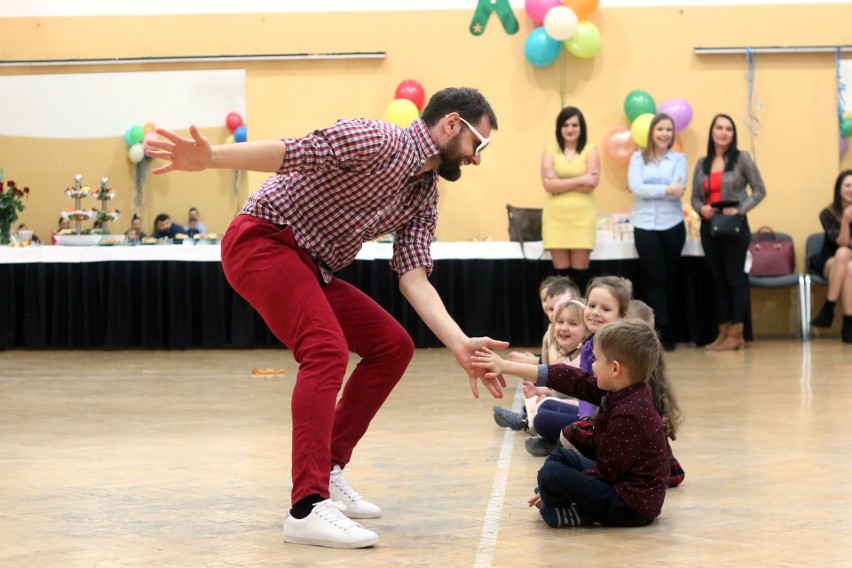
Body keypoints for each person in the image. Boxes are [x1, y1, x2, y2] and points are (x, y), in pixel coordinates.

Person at [146, 87, 509, 549]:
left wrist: (459, 343)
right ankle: (306, 507)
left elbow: (413, 277)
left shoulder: (423, 194)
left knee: (391, 346)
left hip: (310, 266)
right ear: (452, 124)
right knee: (326, 351)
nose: (477, 158)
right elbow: (291, 152)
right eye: (479, 144)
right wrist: (212, 156)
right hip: (262, 240)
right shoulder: (378, 139)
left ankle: (330, 468)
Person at [473, 318, 670, 528]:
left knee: (552, 475)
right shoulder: (624, 388)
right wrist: (505, 366)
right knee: (561, 457)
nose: (591, 365)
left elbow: (607, 472)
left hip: (631, 505)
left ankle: (574, 514)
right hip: (620, 485)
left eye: (596, 360)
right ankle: (562, 503)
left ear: (615, 369)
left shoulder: (630, 413)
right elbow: (569, 378)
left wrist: (564, 487)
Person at [525, 275, 632, 456]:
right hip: (594, 416)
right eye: (591, 306)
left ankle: (569, 445)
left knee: (544, 420)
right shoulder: (590, 344)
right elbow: (584, 390)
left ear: (622, 316)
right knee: (544, 411)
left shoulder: (621, 348)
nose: (596, 312)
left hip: (614, 423)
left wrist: (586, 425)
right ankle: (569, 443)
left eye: (605, 309)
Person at [691, 114, 766, 351]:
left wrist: (740, 209)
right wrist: (700, 208)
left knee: (735, 280)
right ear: (712, 132)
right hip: (709, 225)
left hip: (734, 226)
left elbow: (759, 190)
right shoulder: (703, 162)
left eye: (729, 129)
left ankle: (737, 332)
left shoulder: (742, 159)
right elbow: (694, 196)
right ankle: (723, 333)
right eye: (719, 128)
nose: (724, 132)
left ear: (733, 134)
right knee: (719, 280)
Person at [628, 113, 688, 352]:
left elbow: (679, 189)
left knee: (670, 278)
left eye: (668, 130)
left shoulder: (679, 159)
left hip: (672, 224)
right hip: (644, 225)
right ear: (652, 132)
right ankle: (656, 329)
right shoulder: (636, 158)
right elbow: (636, 187)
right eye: (660, 129)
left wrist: (655, 189)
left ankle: (669, 328)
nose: (664, 134)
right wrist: (666, 189)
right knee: (654, 279)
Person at [493, 276, 580, 430]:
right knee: (537, 397)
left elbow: (570, 385)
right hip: (559, 392)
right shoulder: (550, 335)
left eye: (558, 308)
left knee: (545, 407)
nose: (553, 314)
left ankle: (526, 422)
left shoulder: (584, 348)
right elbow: (552, 374)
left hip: (576, 403)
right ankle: (529, 421)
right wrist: (541, 389)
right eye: (550, 308)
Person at [541, 106, 600, 295]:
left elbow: (592, 184)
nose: (570, 129)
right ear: (559, 128)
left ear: (581, 127)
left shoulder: (591, 150)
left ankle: (580, 317)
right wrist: (582, 179)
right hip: (556, 219)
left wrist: (560, 183)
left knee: (580, 275)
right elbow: (548, 186)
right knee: (561, 278)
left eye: (575, 124)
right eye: (565, 124)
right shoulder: (550, 151)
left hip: (582, 218)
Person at [809, 169, 852, 343]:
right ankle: (832, 310)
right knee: (843, 253)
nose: (851, 189)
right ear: (839, 189)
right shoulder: (827, 213)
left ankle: (831, 311)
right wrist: (845, 221)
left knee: (850, 268)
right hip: (830, 261)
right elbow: (841, 242)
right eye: (847, 185)